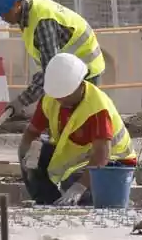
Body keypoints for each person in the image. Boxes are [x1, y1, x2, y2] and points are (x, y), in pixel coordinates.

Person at [17, 53, 135, 206]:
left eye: (65, 95)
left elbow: (102, 155)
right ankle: (48, 202)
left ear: (80, 85)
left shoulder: (97, 107)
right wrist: (25, 152)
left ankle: (83, 200)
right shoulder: (51, 99)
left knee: (74, 185)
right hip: (81, 157)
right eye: (57, 96)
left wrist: (79, 187)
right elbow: (32, 132)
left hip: (115, 165)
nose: (60, 100)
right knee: (35, 159)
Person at [0, 0, 104, 118]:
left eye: (4, 11)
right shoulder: (30, 12)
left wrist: (21, 101)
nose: (2, 16)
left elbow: (51, 73)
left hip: (84, 69)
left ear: (17, 4)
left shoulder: (42, 23)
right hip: (69, 70)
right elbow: (49, 70)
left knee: (78, 122)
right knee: (59, 118)